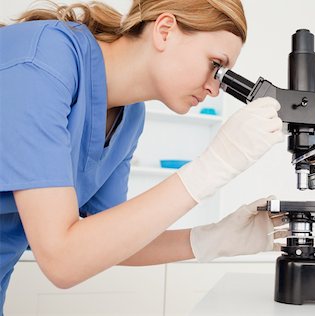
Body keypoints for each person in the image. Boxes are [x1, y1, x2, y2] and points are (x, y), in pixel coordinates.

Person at [0, 0, 286, 312]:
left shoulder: (130, 116)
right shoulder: (43, 61)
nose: (215, 89)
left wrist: (213, 239)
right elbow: (63, 260)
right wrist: (211, 168)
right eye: (215, 66)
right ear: (165, 30)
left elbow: (107, 243)